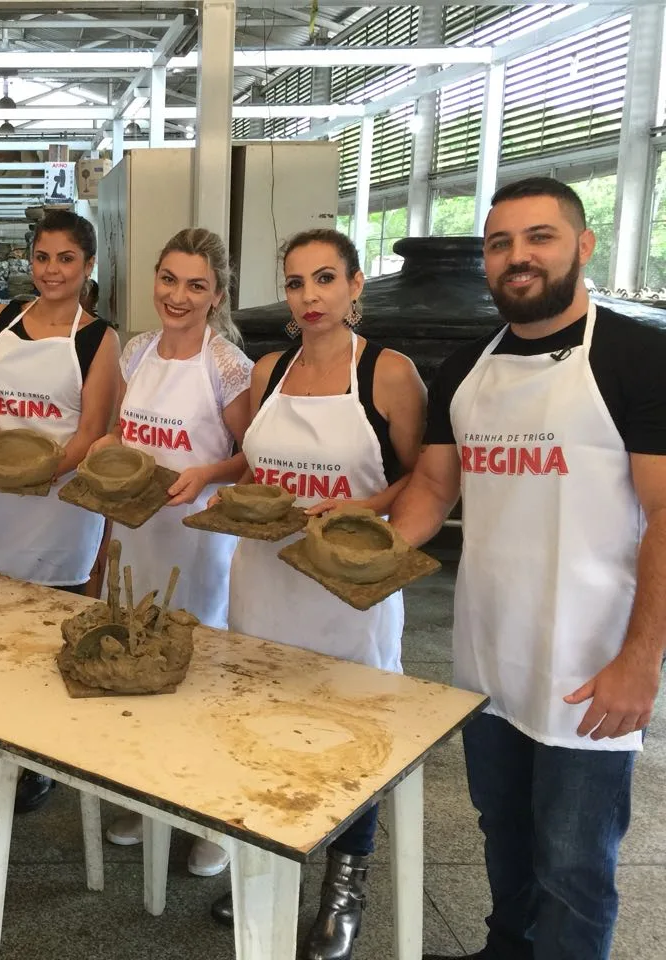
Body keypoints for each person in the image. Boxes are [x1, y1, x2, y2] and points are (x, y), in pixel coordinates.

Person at [387, 177, 666, 960]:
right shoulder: (465, 372)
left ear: (584, 245)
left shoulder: (639, 358)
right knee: (501, 828)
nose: (518, 257)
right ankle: (507, 948)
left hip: (591, 666)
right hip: (488, 657)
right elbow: (434, 490)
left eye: (539, 238)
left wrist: (643, 661)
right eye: (500, 243)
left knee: (576, 863)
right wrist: (356, 561)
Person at [209, 230, 428, 958]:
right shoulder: (268, 369)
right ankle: (268, 864)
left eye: (325, 279)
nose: (309, 297)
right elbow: (251, 461)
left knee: (352, 739)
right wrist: (223, 484)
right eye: (297, 282)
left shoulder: (389, 374)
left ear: (356, 285)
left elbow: (422, 475)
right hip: (264, 578)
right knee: (263, 727)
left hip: (349, 590)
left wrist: (364, 507)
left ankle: (344, 881)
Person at [0, 210, 121, 841]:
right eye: (42, 257)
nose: (52, 270)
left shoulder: (99, 339)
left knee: (50, 641)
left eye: (66, 259)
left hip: (57, 509)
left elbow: (93, 430)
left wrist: (43, 469)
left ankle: (41, 762)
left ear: (87, 266)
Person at [92, 227, 255, 877]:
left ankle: (213, 817)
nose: (177, 296)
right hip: (137, 536)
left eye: (195, 285)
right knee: (142, 670)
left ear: (216, 296)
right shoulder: (135, 352)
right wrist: (106, 452)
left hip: (198, 542)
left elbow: (250, 457)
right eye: (168, 279)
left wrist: (207, 475)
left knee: (199, 675)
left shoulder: (227, 366)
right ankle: (155, 800)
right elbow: (121, 434)